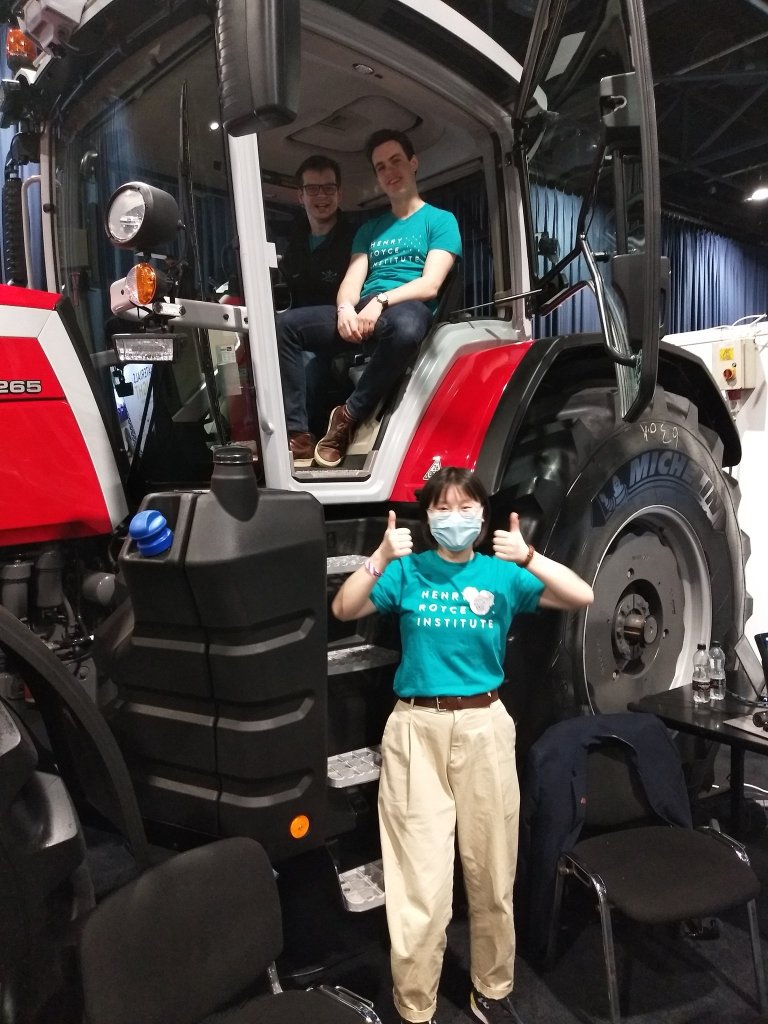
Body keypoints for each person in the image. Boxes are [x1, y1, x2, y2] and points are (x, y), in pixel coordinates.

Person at [331, 467, 594, 1024]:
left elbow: (581, 594)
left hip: (484, 727)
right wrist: (379, 555)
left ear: (482, 517)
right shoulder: (407, 572)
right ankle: (415, 1005)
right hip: (415, 730)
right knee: (418, 883)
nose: (455, 518)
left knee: (493, 874)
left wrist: (528, 556)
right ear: (427, 517)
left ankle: (491, 991)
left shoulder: (501, 576)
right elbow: (344, 609)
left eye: (466, 507)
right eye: (443, 508)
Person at [277, 129, 462, 468]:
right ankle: (299, 435)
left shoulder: (440, 220)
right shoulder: (370, 229)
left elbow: (431, 284)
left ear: (413, 163)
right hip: (365, 310)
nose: (389, 172)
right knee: (285, 326)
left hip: (404, 307)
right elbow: (352, 280)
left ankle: (348, 416)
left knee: (405, 329)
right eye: (380, 167)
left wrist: (380, 302)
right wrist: (346, 307)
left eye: (395, 161)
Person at [278, 156, 356, 455]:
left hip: (340, 327)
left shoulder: (354, 238)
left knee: (310, 368)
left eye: (328, 188)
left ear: (340, 193)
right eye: (312, 189)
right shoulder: (294, 240)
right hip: (298, 331)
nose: (321, 196)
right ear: (300, 195)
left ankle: (299, 436)